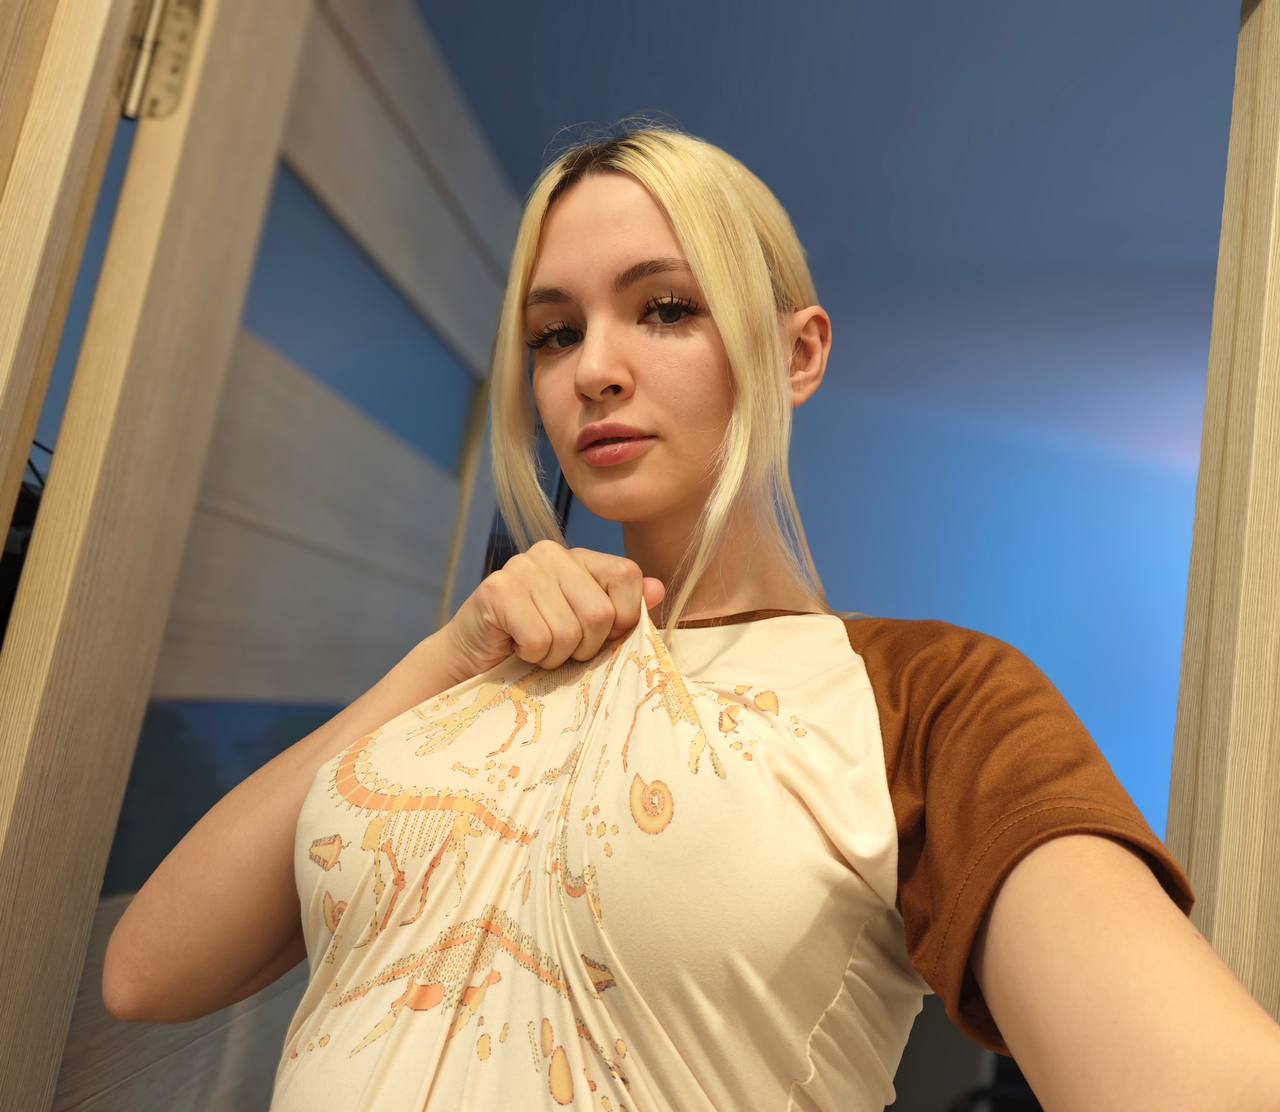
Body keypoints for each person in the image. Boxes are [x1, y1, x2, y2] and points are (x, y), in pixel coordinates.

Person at [107, 121, 1280, 1111]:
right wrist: (445, 654)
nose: (592, 370)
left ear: (796, 353)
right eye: (555, 332)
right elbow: (146, 971)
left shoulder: (922, 696)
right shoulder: (470, 675)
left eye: (663, 308)